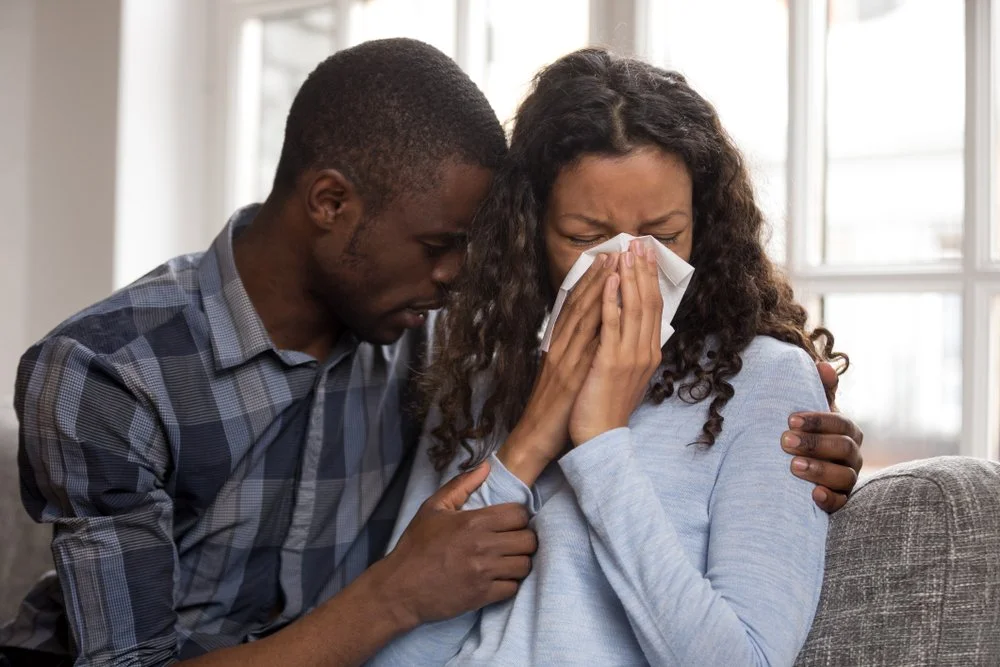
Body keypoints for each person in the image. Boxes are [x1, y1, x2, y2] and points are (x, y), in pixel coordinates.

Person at [0, 40, 861, 667]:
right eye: (441, 245)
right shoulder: (105, 373)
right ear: (330, 203)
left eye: (664, 234)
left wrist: (807, 439)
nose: (458, 278)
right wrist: (400, 587)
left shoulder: (436, 334)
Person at [370, 48, 847, 666]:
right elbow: (396, 652)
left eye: (665, 235)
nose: (628, 267)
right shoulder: (482, 377)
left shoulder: (765, 382)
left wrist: (599, 443)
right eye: (587, 238)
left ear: (705, 225)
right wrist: (530, 442)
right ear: (528, 229)